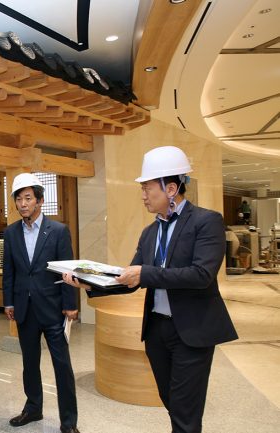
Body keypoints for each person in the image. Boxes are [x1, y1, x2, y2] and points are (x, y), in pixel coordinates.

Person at [63, 146, 238, 433]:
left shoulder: (206, 221)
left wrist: (146, 272)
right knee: (170, 399)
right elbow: (129, 280)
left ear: (171, 188)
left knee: (185, 408)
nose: (142, 195)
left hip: (192, 331)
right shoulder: (150, 233)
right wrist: (89, 282)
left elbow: (202, 274)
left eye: (147, 188)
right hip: (157, 330)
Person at [2, 173, 80, 433]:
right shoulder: (11, 231)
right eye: (18, 199)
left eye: (28, 198)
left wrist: (70, 305)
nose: (23, 204)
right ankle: (33, 408)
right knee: (29, 363)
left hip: (53, 308)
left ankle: (68, 422)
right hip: (24, 308)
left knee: (62, 366)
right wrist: (9, 302)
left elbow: (68, 271)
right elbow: (9, 270)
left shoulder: (58, 230)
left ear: (40, 200)